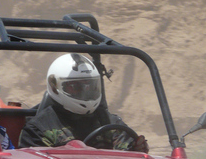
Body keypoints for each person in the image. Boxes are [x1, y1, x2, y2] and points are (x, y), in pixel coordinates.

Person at [18, 53, 149, 152]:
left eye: (90, 87)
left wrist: (136, 151)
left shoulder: (111, 123)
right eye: (75, 87)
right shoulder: (37, 129)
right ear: (54, 87)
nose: (85, 93)